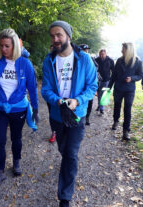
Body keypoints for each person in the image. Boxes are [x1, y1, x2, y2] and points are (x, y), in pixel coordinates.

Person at [41, 21, 97, 207]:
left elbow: (92, 87)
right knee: (64, 151)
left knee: (71, 154)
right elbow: (46, 89)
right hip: (57, 115)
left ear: (68, 36)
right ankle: (67, 169)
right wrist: (57, 100)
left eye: (59, 35)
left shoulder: (84, 59)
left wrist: (78, 100)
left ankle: (65, 197)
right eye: (52, 36)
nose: (55, 39)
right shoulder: (49, 61)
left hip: (77, 115)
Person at [0, 28, 39, 189]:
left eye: (7, 46)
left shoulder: (25, 63)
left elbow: (32, 87)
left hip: (18, 108)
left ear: (14, 45)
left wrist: (35, 109)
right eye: (1, 45)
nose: (3, 49)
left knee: (16, 138)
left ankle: (16, 162)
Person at [107, 43, 143, 141]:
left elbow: (140, 75)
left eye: (123, 49)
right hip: (118, 88)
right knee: (117, 106)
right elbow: (113, 75)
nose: (121, 51)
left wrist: (132, 78)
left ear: (129, 50)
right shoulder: (119, 60)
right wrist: (108, 87)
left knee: (128, 109)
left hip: (129, 90)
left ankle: (126, 131)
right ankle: (115, 121)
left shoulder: (138, 61)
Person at [79, 44, 98, 125]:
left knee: (90, 101)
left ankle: (87, 117)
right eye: (84, 49)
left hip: (90, 83)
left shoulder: (91, 58)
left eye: (87, 49)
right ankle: (80, 116)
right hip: (80, 84)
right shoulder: (77, 58)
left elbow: (97, 66)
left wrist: (91, 70)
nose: (86, 51)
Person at [95, 49, 114, 114]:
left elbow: (113, 71)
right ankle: (99, 105)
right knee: (99, 93)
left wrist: (111, 79)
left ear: (105, 54)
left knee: (104, 94)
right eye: (100, 54)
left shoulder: (110, 60)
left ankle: (101, 108)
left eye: (103, 54)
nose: (101, 55)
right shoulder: (96, 60)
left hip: (106, 80)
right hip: (98, 80)